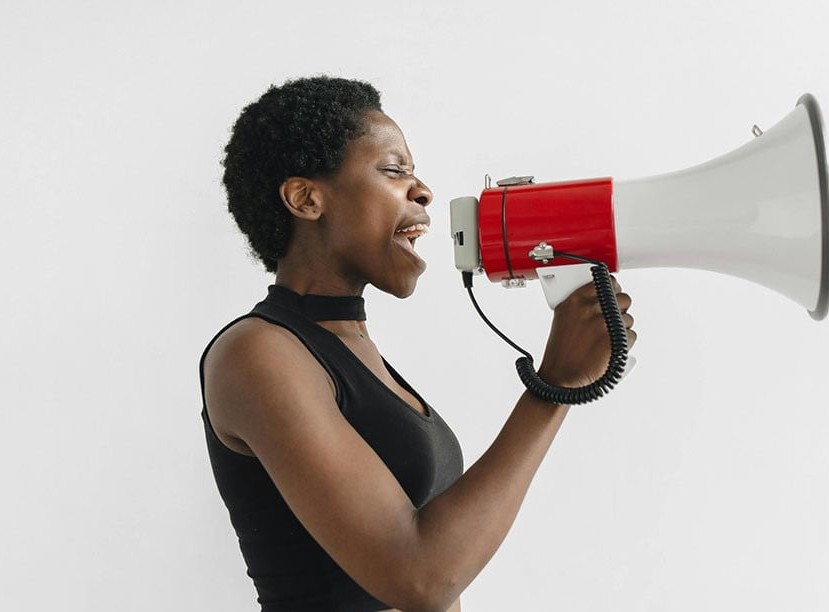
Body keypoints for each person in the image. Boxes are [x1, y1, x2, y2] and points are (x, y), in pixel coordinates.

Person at [200, 76, 637, 612]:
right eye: (393, 170)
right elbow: (420, 579)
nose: (423, 190)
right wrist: (553, 389)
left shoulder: (349, 348)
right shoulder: (258, 354)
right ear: (306, 198)